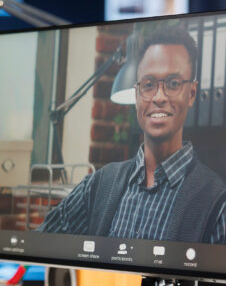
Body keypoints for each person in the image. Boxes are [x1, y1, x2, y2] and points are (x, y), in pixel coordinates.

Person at [40, 25, 226, 243]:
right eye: (148, 84)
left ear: (192, 93)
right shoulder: (99, 185)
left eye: (173, 83)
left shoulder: (216, 204)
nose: (159, 97)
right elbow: (39, 244)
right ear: (137, 93)